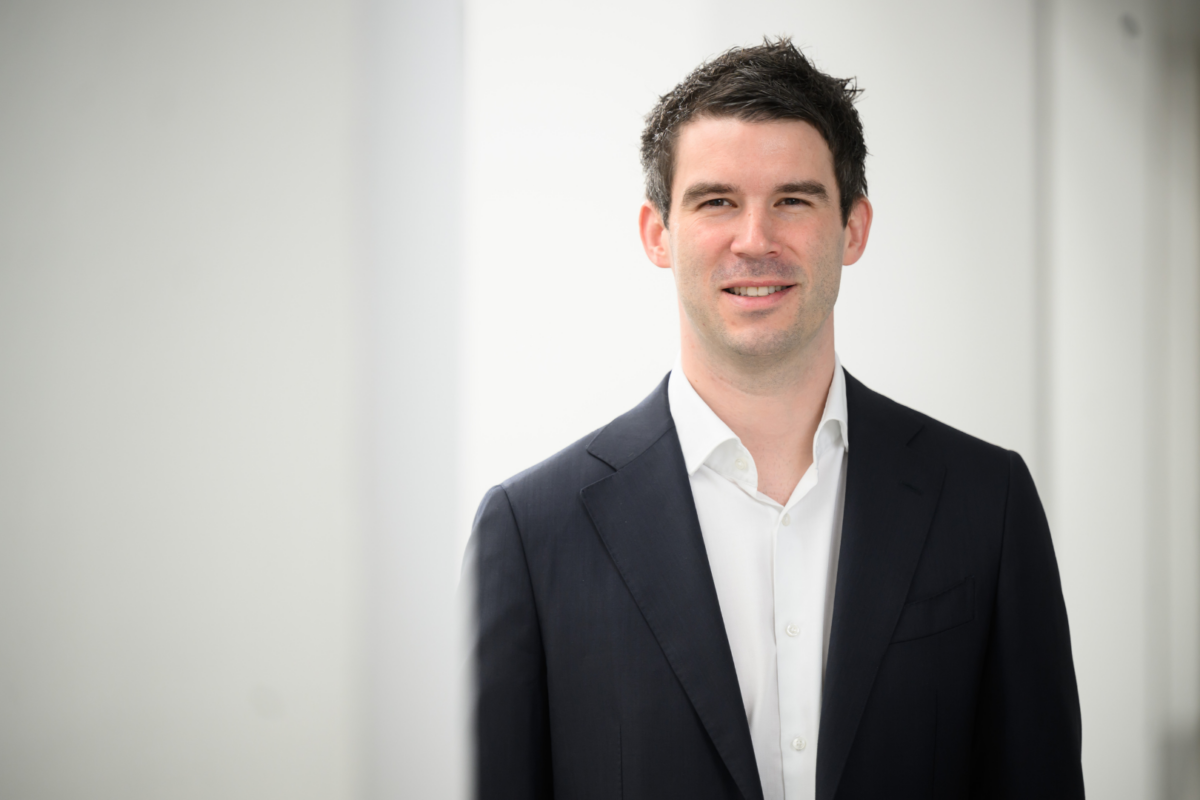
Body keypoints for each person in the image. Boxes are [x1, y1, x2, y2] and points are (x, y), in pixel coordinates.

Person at [466, 38, 1083, 800]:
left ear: (853, 228)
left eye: (793, 200)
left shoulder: (986, 502)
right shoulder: (532, 533)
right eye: (716, 201)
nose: (755, 240)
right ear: (657, 234)